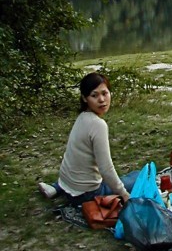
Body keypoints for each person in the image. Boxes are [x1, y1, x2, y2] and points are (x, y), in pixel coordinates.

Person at [38, 72, 138, 206]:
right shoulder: (98, 125)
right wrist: (124, 194)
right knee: (141, 175)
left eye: (105, 93)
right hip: (86, 195)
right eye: (94, 95)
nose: (102, 99)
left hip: (66, 184)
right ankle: (59, 189)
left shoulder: (82, 117)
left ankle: (56, 188)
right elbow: (106, 169)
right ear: (85, 99)